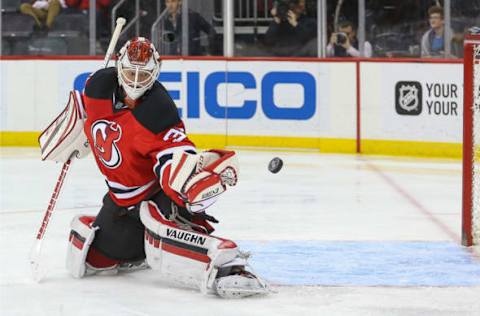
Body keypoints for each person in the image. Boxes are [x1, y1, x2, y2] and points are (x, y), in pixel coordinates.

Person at [46, 37, 269, 298]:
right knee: (90, 260)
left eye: (145, 74)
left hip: (155, 197)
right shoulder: (97, 86)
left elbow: (175, 153)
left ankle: (227, 265)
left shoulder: (159, 111)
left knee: (158, 224)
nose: (137, 81)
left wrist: (188, 178)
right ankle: (138, 246)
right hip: (120, 202)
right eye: (131, 72)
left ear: (157, 72)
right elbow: (86, 116)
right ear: (119, 68)